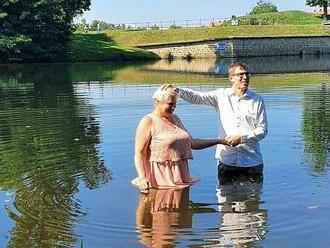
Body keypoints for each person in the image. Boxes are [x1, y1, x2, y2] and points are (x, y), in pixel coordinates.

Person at [176, 62, 268, 178]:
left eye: (247, 74)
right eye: (240, 74)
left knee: (252, 196)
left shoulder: (257, 100)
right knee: (225, 195)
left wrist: (241, 138)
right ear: (231, 78)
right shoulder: (221, 96)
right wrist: (177, 90)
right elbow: (198, 97)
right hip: (226, 161)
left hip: (251, 162)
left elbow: (263, 130)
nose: (245, 77)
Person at [132, 84, 229, 191]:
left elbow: (192, 143)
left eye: (175, 104)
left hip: (181, 176)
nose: (173, 107)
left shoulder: (175, 118)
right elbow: (139, 153)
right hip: (160, 179)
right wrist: (142, 177)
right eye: (170, 104)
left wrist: (221, 141)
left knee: (182, 206)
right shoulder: (148, 121)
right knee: (160, 207)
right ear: (156, 102)